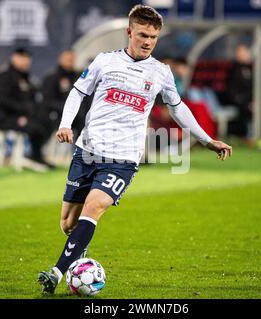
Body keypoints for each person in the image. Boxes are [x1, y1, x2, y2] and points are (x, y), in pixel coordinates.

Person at [37, 4, 233, 294]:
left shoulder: (161, 72)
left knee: (94, 208)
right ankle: (80, 250)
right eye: (142, 35)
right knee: (68, 222)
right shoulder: (105, 62)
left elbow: (177, 108)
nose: (147, 42)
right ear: (129, 32)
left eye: (153, 37)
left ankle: (56, 273)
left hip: (123, 160)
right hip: (88, 151)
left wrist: (206, 139)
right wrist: (66, 124)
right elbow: (78, 92)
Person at [0, 48, 52, 169]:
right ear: (14, 58)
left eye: (27, 59)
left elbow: (33, 98)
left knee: (47, 122)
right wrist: (22, 111)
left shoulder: (27, 78)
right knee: (35, 127)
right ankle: (34, 157)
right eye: (22, 58)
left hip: (23, 116)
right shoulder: (3, 77)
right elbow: (0, 100)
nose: (25, 62)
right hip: (5, 117)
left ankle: (37, 156)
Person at [40, 50, 92, 144]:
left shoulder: (80, 77)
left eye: (72, 59)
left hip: (79, 119)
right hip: (57, 116)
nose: (70, 61)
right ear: (61, 59)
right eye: (67, 59)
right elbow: (47, 101)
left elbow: (87, 99)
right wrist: (66, 108)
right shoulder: (52, 78)